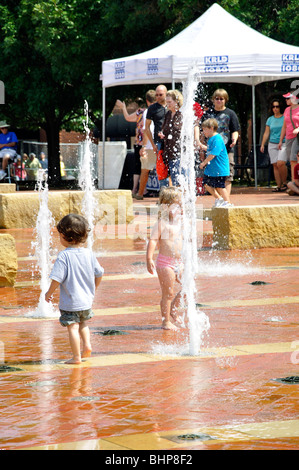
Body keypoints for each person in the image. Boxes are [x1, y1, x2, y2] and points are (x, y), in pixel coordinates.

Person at [45, 214, 104, 364]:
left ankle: (76, 357)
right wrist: (94, 288)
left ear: (64, 236)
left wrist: (48, 293)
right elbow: (100, 272)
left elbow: (57, 278)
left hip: (70, 302)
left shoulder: (63, 256)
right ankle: (87, 346)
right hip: (86, 301)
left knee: (72, 327)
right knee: (83, 324)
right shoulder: (89, 253)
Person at [146, 187, 183, 330]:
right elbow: (153, 241)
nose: (179, 208)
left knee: (189, 287)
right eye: (176, 204)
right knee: (168, 293)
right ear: (165, 206)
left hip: (179, 262)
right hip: (165, 263)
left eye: (180, 205)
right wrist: (149, 259)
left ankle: (174, 307)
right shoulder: (162, 223)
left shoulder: (180, 223)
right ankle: (166, 321)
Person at [194, 88, 240, 196]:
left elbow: (235, 130)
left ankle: (226, 200)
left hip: (227, 150)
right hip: (211, 150)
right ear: (213, 100)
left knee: (227, 175)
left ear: (225, 100)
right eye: (217, 98)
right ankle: (220, 200)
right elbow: (198, 126)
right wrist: (198, 141)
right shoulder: (208, 113)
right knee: (213, 177)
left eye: (221, 99)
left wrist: (234, 139)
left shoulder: (230, 113)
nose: (219, 101)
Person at [116, 90, 156, 195]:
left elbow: (128, 118)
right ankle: (145, 189)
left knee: (138, 167)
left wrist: (123, 107)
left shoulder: (140, 112)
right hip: (153, 143)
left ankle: (135, 189)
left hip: (140, 141)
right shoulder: (159, 111)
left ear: (147, 100)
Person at [134, 85, 168, 200]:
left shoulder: (171, 107)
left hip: (167, 144)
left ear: (166, 94)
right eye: (156, 95)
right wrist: (144, 146)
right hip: (152, 144)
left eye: (160, 94)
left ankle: (166, 196)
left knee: (165, 170)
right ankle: (140, 193)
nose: (158, 97)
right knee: (145, 169)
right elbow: (146, 128)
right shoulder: (150, 110)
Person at [198, 118, 232, 207]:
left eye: (205, 129)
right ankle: (219, 199)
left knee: (220, 186)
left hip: (219, 168)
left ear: (212, 128)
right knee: (206, 184)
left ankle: (228, 202)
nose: (203, 132)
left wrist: (204, 163)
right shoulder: (211, 139)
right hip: (213, 168)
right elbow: (210, 150)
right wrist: (202, 146)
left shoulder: (217, 139)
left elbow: (213, 154)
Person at [158, 90, 184, 187]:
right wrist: (161, 133)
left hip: (180, 152)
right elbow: (164, 129)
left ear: (176, 101)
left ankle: (183, 200)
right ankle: (178, 200)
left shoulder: (183, 114)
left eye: (169, 102)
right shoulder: (168, 114)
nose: (167, 104)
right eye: (166, 102)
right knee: (173, 178)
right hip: (169, 152)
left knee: (179, 179)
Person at [260, 98, 287, 191]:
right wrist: (263, 144)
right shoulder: (270, 119)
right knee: (275, 164)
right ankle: (279, 186)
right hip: (272, 143)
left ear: (280, 107)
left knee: (281, 163)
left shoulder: (284, 117)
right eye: (273, 107)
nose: (275, 108)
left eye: (277, 106)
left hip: (283, 143)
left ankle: (285, 183)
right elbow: (266, 132)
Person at [278, 92, 299, 182]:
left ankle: (295, 182)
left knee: (294, 159)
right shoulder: (287, 110)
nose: (286, 100)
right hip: (288, 137)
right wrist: (280, 140)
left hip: (297, 137)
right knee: (291, 161)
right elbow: (284, 126)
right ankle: (294, 181)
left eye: (288, 98)